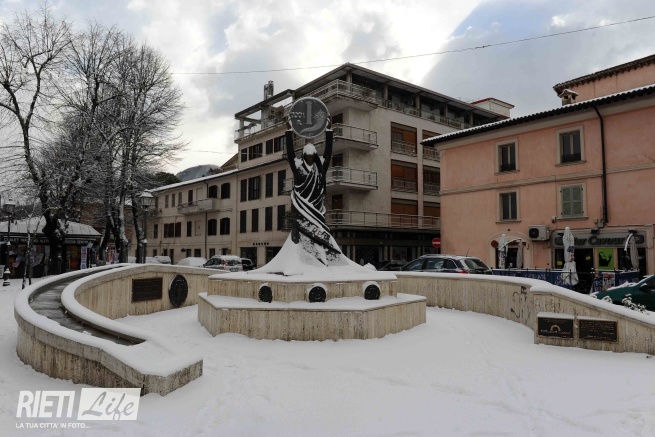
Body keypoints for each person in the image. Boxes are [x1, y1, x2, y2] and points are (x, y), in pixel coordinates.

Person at [285, 120, 343, 263]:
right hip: (302, 208)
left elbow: (328, 152)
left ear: (315, 156)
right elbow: (291, 153)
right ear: (304, 156)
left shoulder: (320, 167)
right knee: (302, 237)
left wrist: (329, 132)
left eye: (312, 157)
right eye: (307, 157)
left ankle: (321, 256)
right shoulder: (298, 167)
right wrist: (289, 132)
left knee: (319, 237)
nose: (310, 159)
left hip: (316, 209)